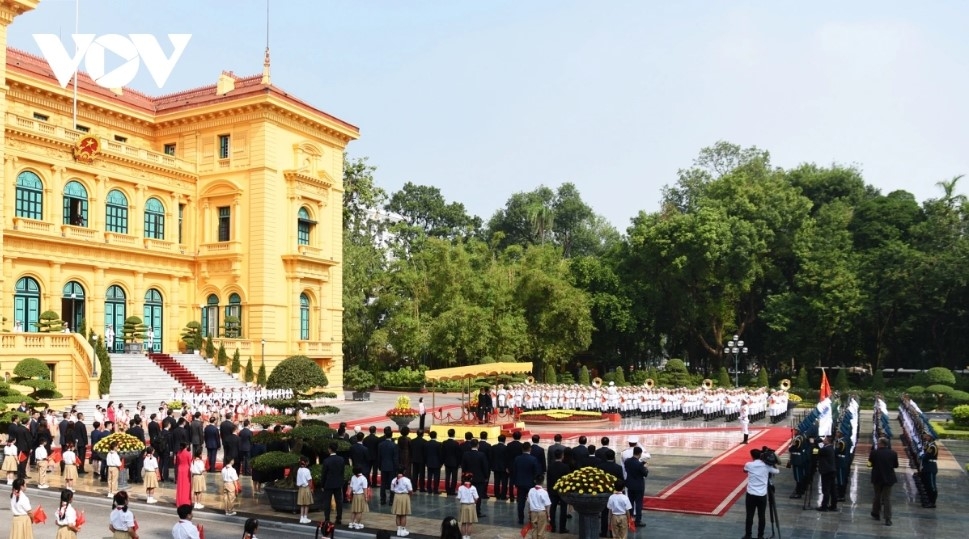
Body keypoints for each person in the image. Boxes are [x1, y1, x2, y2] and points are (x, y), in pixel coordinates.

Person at [742, 447, 779, 539]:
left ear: (752, 456)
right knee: (761, 516)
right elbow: (777, 471)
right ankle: (760, 536)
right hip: (762, 495)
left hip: (751, 494)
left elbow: (744, 470)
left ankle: (748, 535)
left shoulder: (749, 464)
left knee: (749, 515)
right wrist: (772, 463)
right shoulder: (767, 466)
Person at [869, 436, 898, 526]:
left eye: (878, 443)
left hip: (877, 478)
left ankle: (876, 513)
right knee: (887, 498)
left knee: (877, 496)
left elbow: (869, 464)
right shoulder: (893, 453)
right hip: (889, 478)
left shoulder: (874, 453)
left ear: (881, 444)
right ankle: (888, 518)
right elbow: (896, 465)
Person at [623, 447, 648, 527]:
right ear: (640, 454)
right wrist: (645, 467)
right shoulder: (639, 464)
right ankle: (638, 520)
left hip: (630, 485)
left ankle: (629, 519)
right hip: (638, 486)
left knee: (630, 502)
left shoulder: (627, 461)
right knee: (638, 503)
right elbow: (645, 474)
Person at [321, 442, 345, 525]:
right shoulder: (341, 459)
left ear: (330, 449)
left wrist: (322, 484)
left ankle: (327, 518)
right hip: (338, 483)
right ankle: (339, 518)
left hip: (328, 483)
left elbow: (324, 474)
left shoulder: (326, 461)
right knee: (339, 501)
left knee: (327, 502)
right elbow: (342, 472)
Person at [525, 474, 551, 539]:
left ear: (534, 481)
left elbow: (529, 503)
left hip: (533, 512)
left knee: (534, 529)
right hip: (541, 512)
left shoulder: (531, 490)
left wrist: (529, 512)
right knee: (541, 530)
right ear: (543, 481)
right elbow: (548, 504)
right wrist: (548, 515)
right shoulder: (544, 492)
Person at [391, 467, 414, 537]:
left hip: (397, 496)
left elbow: (392, 489)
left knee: (398, 514)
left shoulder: (394, 480)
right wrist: (410, 496)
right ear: (404, 471)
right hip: (404, 496)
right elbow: (410, 490)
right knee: (403, 514)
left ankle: (398, 530)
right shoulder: (406, 480)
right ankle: (403, 530)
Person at [816, 435, 837, 511]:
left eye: (825, 439)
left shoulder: (826, 449)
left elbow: (816, 451)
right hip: (831, 471)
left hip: (827, 472)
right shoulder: (831, 448)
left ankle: (824, 506)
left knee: (826, 490)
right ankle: (833, 505)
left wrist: (813, 444)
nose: (823, 440)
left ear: (828, 441)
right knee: (832, 489)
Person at [457, 473, 479, 539]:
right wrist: (474, 503)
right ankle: (468, 537)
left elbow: (458, 498)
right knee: (469, 523)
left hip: (463, 505)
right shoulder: (473, 487)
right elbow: (476, 498)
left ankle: (464, 537)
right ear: (471, 479)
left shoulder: (460, 488)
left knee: (463, 523)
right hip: (471, 506)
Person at [920, 432, 938, 508]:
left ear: (931, 437)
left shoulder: (933, 447)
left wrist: (922, 455)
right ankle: (929, 499)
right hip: (927, 466)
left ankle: (932, 502)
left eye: (927, 436)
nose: (926, 437)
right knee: (927, 484)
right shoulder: (928, 445)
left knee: (931, 485)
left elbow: (925, 456)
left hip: (931, 466)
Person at [296, 458, 313, 524]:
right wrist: (311, 488)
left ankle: (301, 517)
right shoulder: (307, 470)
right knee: (307, 504)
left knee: (302, 504)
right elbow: (309, 480)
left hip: (300, 488)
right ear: (306, 463)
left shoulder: (299, 470)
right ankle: (305, 517)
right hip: (306, 488)